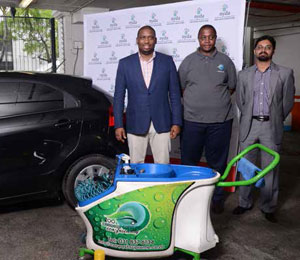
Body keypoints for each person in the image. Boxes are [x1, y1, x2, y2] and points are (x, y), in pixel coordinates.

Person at [233, 35, 295, 223]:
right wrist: (249, 117)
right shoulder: (244, 74)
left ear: (273, 51)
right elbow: (240, 101)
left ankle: (268, 206)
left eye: (267, 47)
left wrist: (275, 118)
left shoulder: (285, 73)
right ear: (254, 50)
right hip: (249, 125)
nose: (263, 50)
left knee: (271, 168)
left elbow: (287, 102)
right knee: (246, 166)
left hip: (271, 126)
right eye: (260, 47)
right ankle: (244, 202)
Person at [178, 24, 237, 214]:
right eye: (203, 37)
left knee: (217, 162)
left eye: (210, 37)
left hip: (220, 122)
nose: (207, 41)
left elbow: (231, 87)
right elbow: (180, 88)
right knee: (189, 161)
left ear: (215, 38)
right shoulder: (188, 62)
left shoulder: (225, 62)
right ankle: (189, 197)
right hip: (192, 121)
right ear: (198, 39)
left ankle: (217, 198)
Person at [113, 25, 182, 164]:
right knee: (136, 167)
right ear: (137, 40)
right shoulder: (125, 64)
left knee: (163, 167)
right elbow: (119, 97)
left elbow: (175, 94)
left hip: (162, 123)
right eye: (143, 37)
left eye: (150, 37)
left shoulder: (167, 62)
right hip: (135, 122)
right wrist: (118, 124)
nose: (147, 41)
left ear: (155, 40)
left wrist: (176, 122)